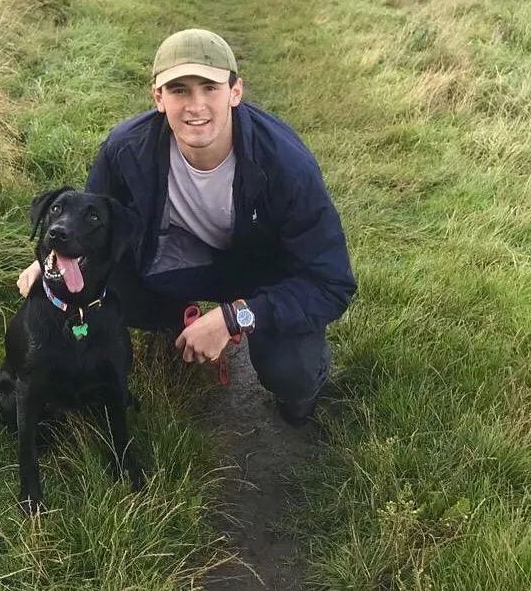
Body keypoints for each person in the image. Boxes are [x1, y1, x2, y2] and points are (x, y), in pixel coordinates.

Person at [17, 29, 355, 425]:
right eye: (179, 90)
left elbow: (331, 284)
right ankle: (177, 324)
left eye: (210, 87)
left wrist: (235, 316)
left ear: (235, 92)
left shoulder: (287, 167)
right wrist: (55, 260)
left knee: (290, 368)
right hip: (180, 260)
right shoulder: (126, 148)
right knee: (102, 288)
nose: (196, 106)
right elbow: (96, 227)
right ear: (158, 98)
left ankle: (301, 386)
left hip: (267, 274)